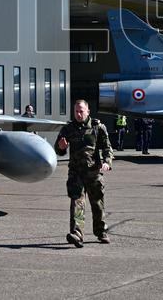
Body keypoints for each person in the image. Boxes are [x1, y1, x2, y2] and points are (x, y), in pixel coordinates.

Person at [56, 99, 113, 247]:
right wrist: (61, 147)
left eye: (81, 111)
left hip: (94, 172)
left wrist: (107, 162)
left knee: (97, 203)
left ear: (88, 111)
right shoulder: (68, 129)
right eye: (76, 111)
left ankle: (101, 231)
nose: (78, 114)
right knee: (77, 202)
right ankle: (77, 234)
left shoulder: (97, 127)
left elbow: (107, 147)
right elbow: (59, 149)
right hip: (76, 173)